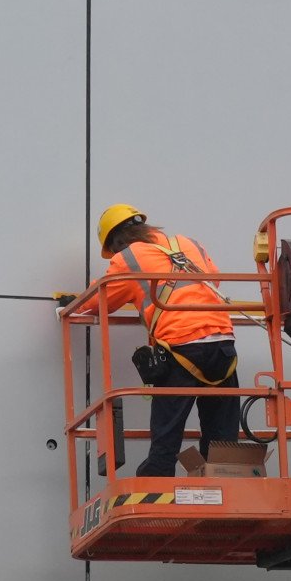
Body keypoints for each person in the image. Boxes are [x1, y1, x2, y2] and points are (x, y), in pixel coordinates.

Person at [87, 202, 254, 478]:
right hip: (222, 342)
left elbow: (100, 301)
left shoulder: (128, 258)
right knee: (221, 433)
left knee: (167, 428)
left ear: (116, 242)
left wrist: (73, 304)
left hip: (181, 345)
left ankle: (157, 477)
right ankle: (224, 478)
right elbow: (213, 281)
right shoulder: (189, 244)